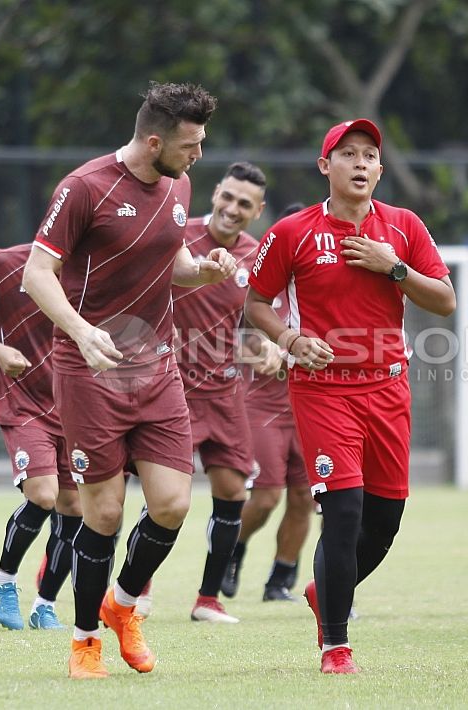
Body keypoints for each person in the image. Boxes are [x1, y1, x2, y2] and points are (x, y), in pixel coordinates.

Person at [21, 81, 232, 680]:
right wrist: (83, 334)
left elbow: (174, 267)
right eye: (191, 145)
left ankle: (121, 605)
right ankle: (85, 640)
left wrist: (205, 271)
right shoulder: (83, 187)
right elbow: (38, 275)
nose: (198, 157)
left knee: (172, 504)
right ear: (155, 140)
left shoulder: (179, 185)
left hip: (157, 367)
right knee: (105, 513)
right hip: (90, 373)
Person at [245, 119, 456, 674]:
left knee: (385, 520)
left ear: (380, 170)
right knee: (343, 511)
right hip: (322, 390)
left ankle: (326, 590)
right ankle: (335, 645)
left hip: (389, 387)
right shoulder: (292, 231)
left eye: (370, 156)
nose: (361, 164)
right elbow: (255, 303)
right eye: (348, 155)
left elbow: (444, 300)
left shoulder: (404, 226)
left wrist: (396, 269)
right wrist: (290, 340)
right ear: (325, 167)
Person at [0, 243, 83, 631]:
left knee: (74, 508)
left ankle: (45, 606)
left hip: (76, 406)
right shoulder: (3, 263)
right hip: (23, 403)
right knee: (44, 495)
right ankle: (3, 581)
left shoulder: (91, 269)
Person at [171, 161, 268, 623]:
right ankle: (138, 589)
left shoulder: (255, 255)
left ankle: (207, 600)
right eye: (228, 197)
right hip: (169, 388)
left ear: (257, 210)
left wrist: (266, 346)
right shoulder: (178, 236)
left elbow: (253, 322)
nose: (233, 208)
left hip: (225, 392)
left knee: (233, 493)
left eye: (245, 203)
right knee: (163, 497)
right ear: (215, 194)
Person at [223, 202, 314, 604]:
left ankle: (279, 582)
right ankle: (230, 553)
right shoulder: (262, 286)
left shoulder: (326, 283)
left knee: (306, 498)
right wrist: (262, 351)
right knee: (266, 496)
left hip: (312, 408)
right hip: (264, 409)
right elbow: (230, 340)